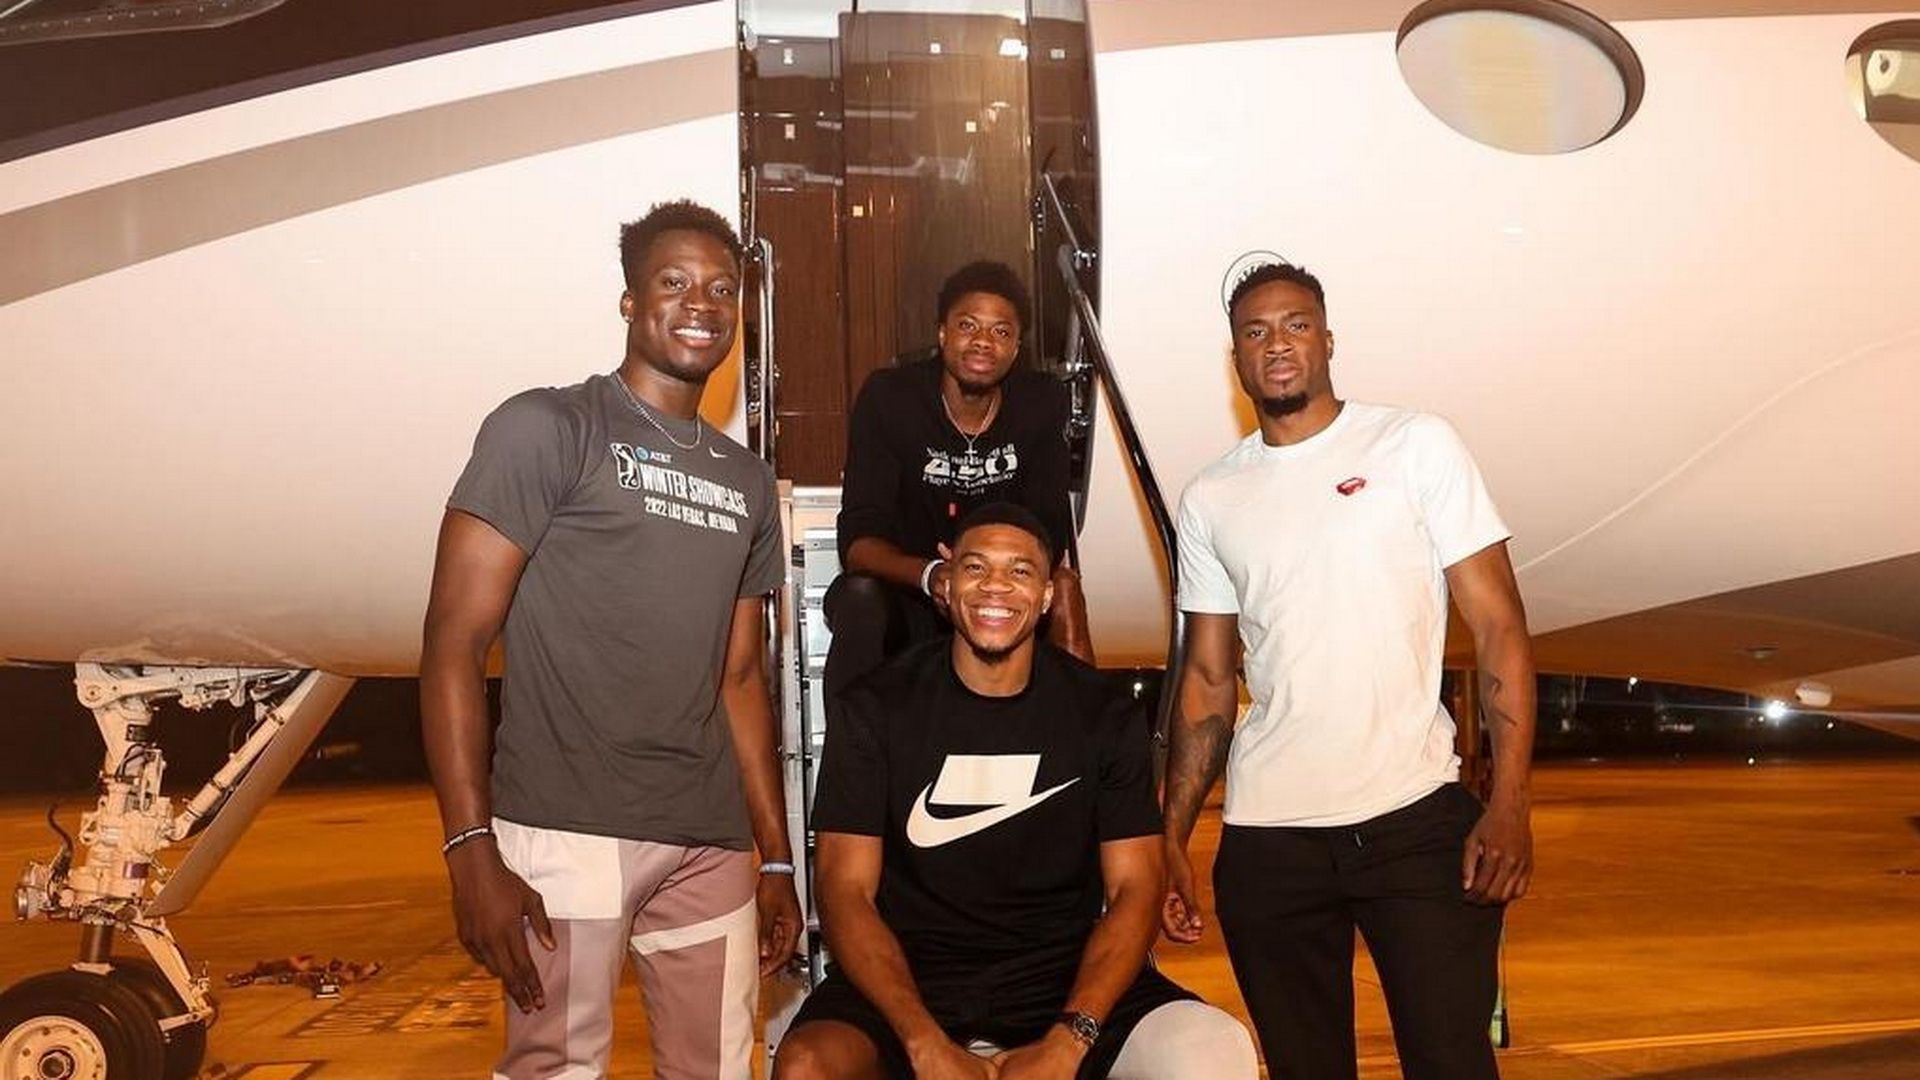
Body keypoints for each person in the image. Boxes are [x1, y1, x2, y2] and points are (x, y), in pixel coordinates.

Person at [420, 199, 801, 1079]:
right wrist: (469, 848)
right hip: (567, 829)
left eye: (722, 288)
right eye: (674, 282)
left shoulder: (747, 481)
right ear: (631, 301)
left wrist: (775, 856)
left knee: (718, 1069)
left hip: (708, 839)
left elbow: (741, 680)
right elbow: (452, 642)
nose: (700, 303)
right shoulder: (547, 427)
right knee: (559, 1069)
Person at [1161, 261, 1536, 1080]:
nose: (1277, 345)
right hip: (1269, 841)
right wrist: (1172, 835)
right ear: (1236, 358)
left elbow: (1500, 625)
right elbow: (1208, 682)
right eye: (1256, 332)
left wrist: (1509, 801)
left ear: (1328, 341)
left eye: (1295, 325)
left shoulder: (1415, 444)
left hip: (1413, 822)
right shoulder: (1211, 498)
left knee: (1451, 1064)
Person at [775, 503, 1257, 1080]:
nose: (995, 586)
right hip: (910, 981)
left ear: (1048, 595)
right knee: (806, 1065)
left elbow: (1136, 889)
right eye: (976, 567)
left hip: (1062, 982)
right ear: (947, 583)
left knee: (1213, 1052)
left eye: (1020, 571)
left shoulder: (1101, 713)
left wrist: (1071, 1040)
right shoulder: (875, 708)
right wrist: (923, 1042)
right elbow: (844, 892)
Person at [826, 260, 1091, 705]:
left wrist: (982, 572)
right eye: (968, 325)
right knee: (860, 599)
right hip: (910, 593)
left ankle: (1078, 737)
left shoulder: (1040, 402)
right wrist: (933, 574)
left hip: (999, 588)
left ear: (1017, 347)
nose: (983, 341)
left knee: (1063, 587)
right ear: (942, 333)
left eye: (1001, 331)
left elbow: (1048, 529)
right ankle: (851, 746)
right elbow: (857, 544)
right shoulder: (891, 397)